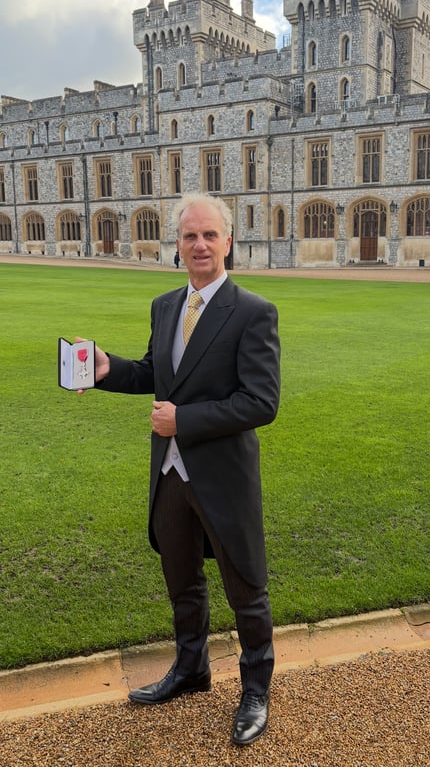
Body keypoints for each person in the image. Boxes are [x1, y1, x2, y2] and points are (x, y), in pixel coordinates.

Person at [78, 193, 280, 746]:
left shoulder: (253, 311)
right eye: (190, 236)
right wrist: (106, 369)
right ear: (177, 244)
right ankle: (191, 669)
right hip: (169, 473)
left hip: (222, 476)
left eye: (210, 235)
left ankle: (256, 690)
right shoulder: (166, 306)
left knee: (246, 586)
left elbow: (261, 402)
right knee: (181, 579)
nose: (199, 245)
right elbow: (155, 373)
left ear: (228, 242)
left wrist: (182, 420)